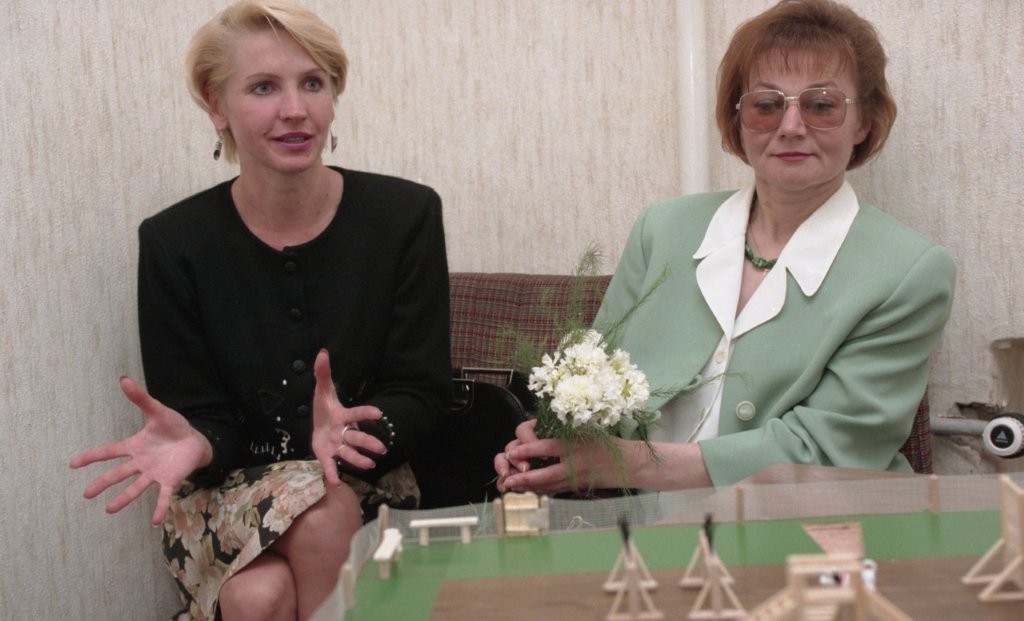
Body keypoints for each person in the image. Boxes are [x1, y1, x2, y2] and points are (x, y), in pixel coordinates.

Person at [69, 2, 451, 619]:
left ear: (333, 97)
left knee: (266, 587)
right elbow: (201, 415)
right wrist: (196, 441)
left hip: (367, 479)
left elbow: (421, 390)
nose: (295, 109)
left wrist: (355, 431)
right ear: (216, 105)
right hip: (228, 494)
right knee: (277, 566)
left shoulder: (405, 216)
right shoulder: (174, 242)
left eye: (313, 83)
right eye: (264, 87)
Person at [495, 0, 955, 494]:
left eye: (821, 105)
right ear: (738, 119)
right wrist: (554, 444)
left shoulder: (908, 271)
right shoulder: (662, 229)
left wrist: (625, 465)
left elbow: (828, 452)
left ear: (864, 122)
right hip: (646, 521)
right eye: (766, 105)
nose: (791, 126)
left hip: (813, 523)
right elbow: (599, 387)